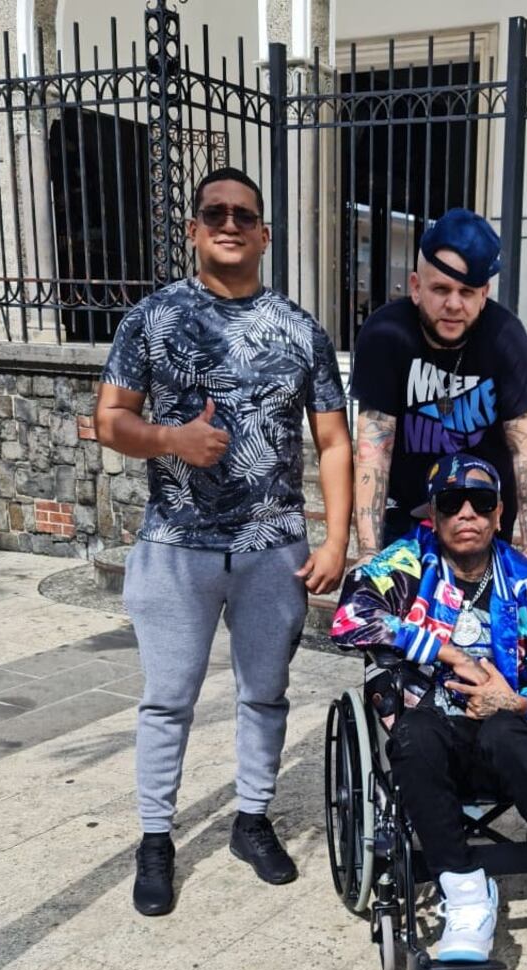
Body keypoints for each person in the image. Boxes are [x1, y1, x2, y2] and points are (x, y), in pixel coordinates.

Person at [95, 166, 353, 916]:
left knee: (264, 695)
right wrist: (173, 438)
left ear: (265, 233)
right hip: (176, 543)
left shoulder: (300, 328)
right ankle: (155, 840)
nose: (230, 223)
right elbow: (109, 420)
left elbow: (333, 441)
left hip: (273, 544)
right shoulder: (152, 319)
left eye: (244, 213)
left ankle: (250, 819)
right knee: (167, 700)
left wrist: (336, 540)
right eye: (216, 212)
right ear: (195, 228)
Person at [330, 452, 527, 963]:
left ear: (499, 514)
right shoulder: (402, 566)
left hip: (509, 731)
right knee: (414, 740)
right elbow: (348, 620)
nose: (466, 515)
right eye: (451, 503)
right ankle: (465, 896)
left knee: (507, 731)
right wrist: (444, 650)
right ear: (431, 515)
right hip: (431, 725)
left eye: (480, 503)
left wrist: (520, 700)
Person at [349, 207, 527, 568]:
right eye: (440, 289)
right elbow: (373, 450)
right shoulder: (385, 335)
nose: (453, 304)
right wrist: (367, 551)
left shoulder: (506, 337)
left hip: (482, 522)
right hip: (407, 523)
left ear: (484, 293)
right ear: (415, 287)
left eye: (467, 291)